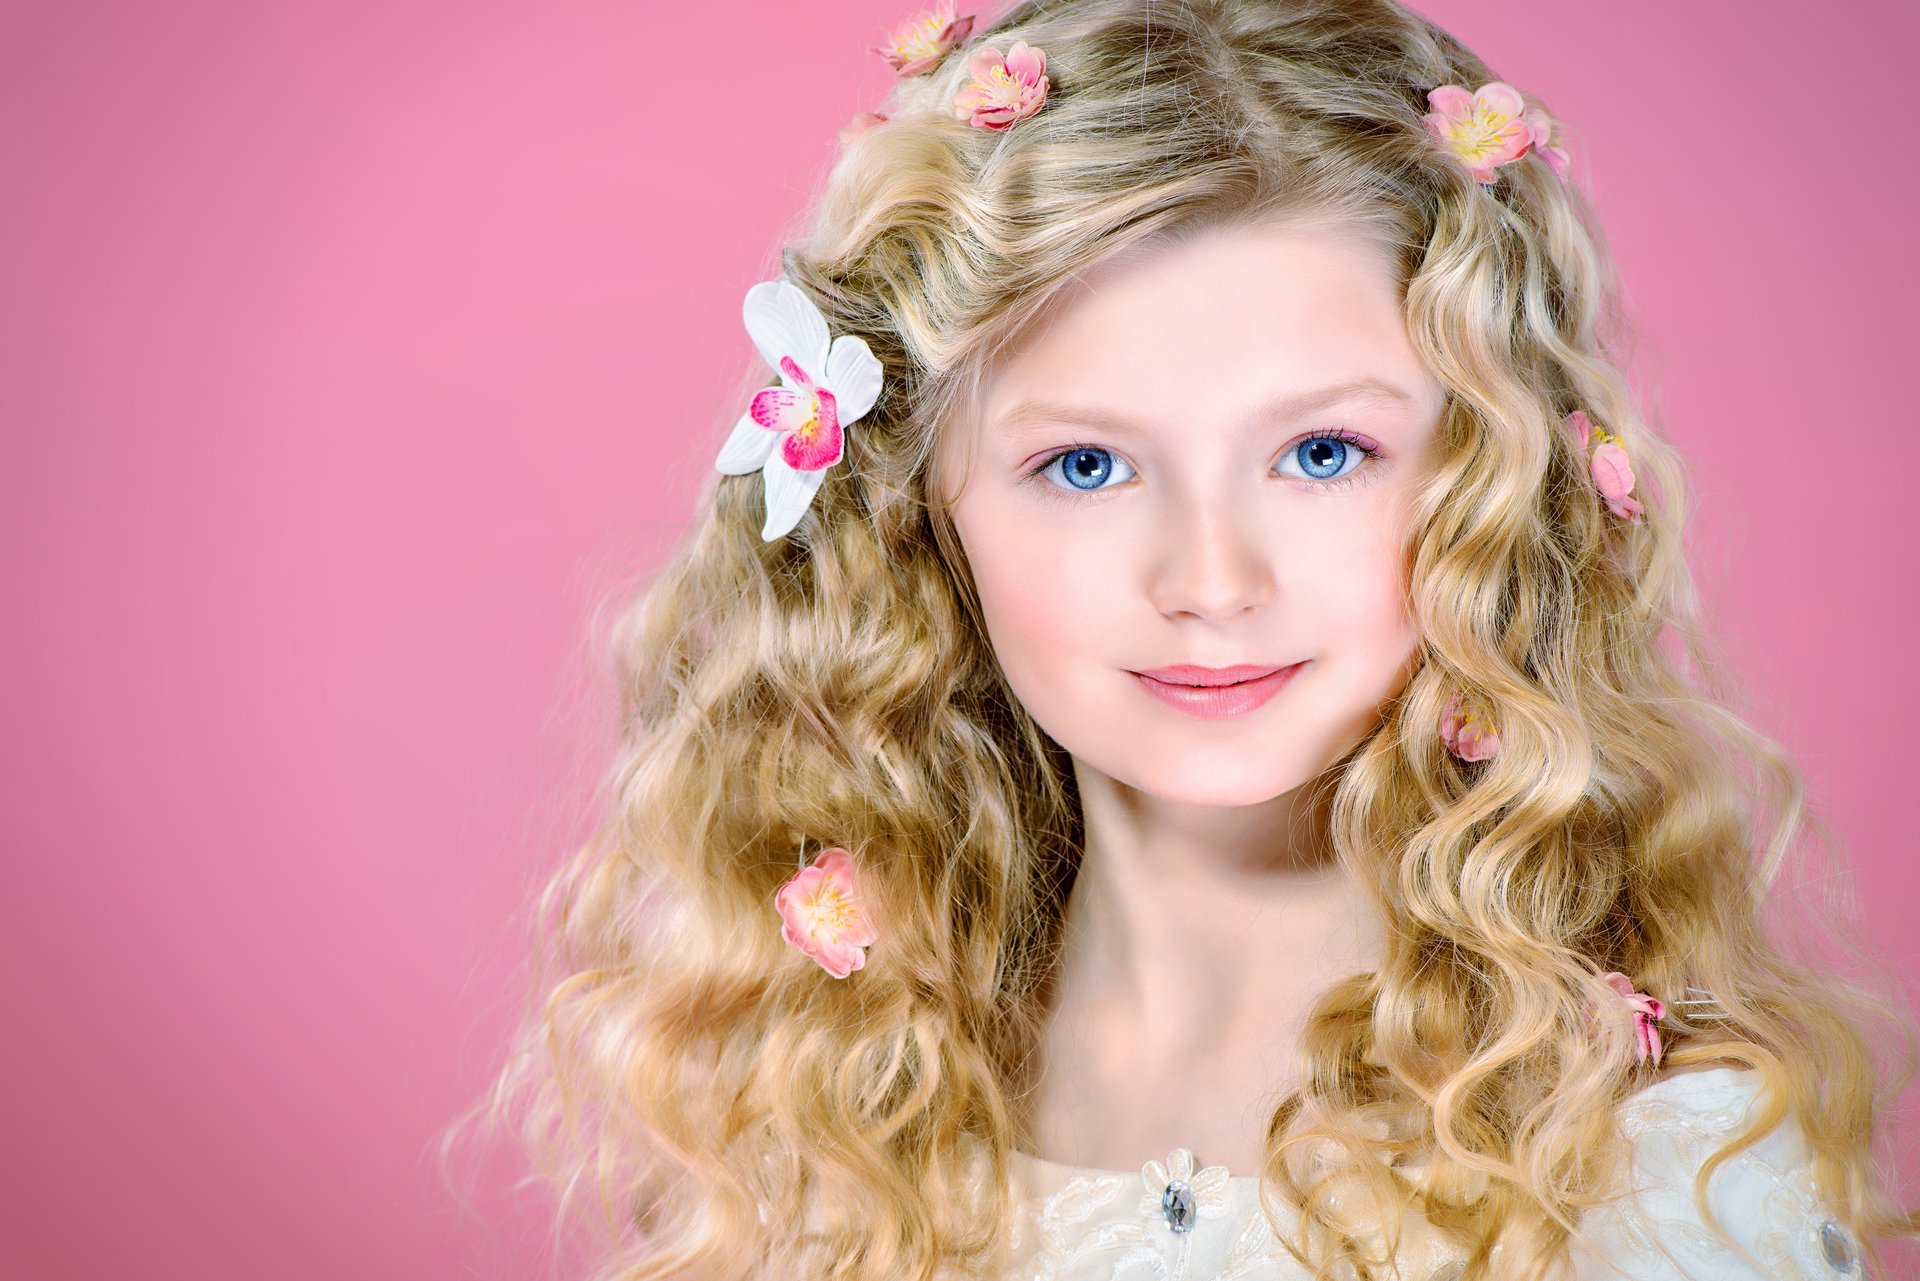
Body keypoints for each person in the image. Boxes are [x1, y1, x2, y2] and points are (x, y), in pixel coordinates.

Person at [464, 1, 1919, 1276]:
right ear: (921, 511)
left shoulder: (1659, 1177)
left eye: (1325, 453)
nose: (1211, 580)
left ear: (1486, 475)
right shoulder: (820, 1133)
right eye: (1088, 465)